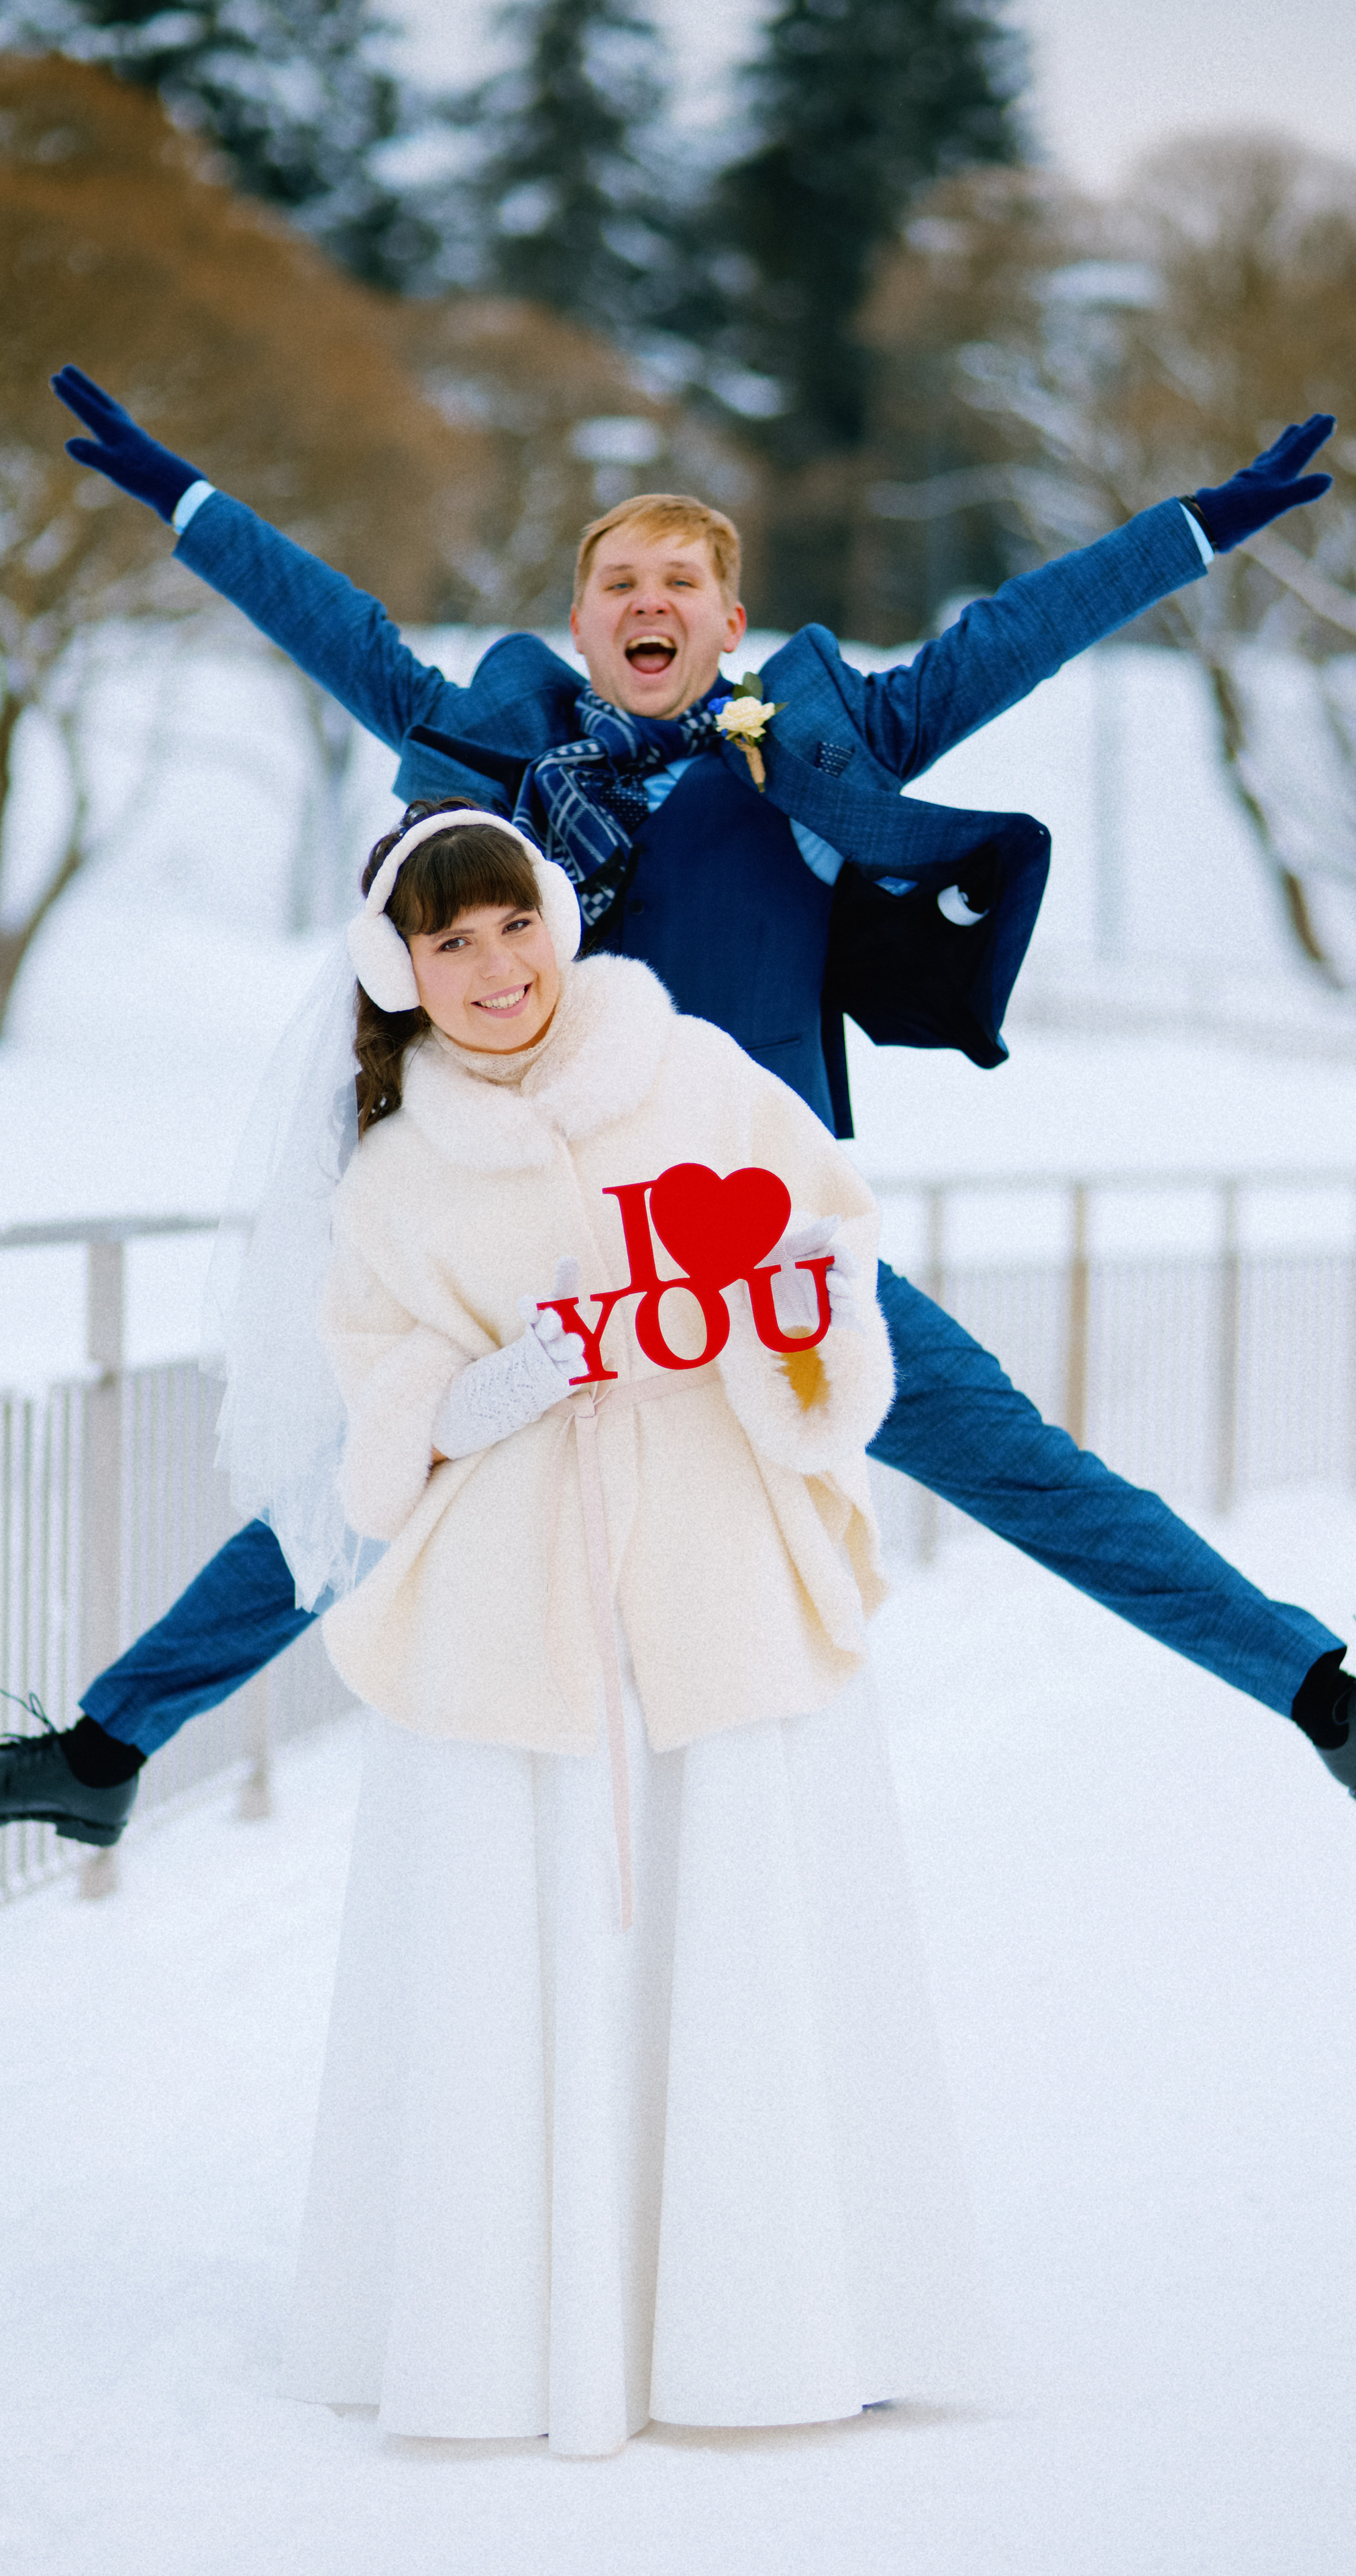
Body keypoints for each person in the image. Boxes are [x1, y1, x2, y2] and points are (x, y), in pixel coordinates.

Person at [0, 376, 1356, 1852]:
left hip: (755, 1230)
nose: (647, 601)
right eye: (618, 582)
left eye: (679, 581)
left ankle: (1329, 1703)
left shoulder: (819, 747)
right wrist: (185, 502)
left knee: (1022, 1464)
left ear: (728, 621)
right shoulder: (510, 765)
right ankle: (101, 1752)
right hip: (543, 1235)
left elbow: (1013, 633)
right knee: (363, 1475)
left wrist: (1194, 528)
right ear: (581, 623)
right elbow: (345, 634)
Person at [282, 801, 972, 2452]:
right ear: (402, 971)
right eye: (450, 943)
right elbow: (385, 1419)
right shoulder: (393, 1177)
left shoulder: (695, 1073)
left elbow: (827, 1249)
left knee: (729, 1909)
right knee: (528, 1939)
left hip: (711, 1554)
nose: (493, 968)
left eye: (510, 923)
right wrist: (509, 1376)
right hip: (514, 1596)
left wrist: (777, 1319)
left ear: (555, 918)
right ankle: (527, 2329)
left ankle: (767, 2316)